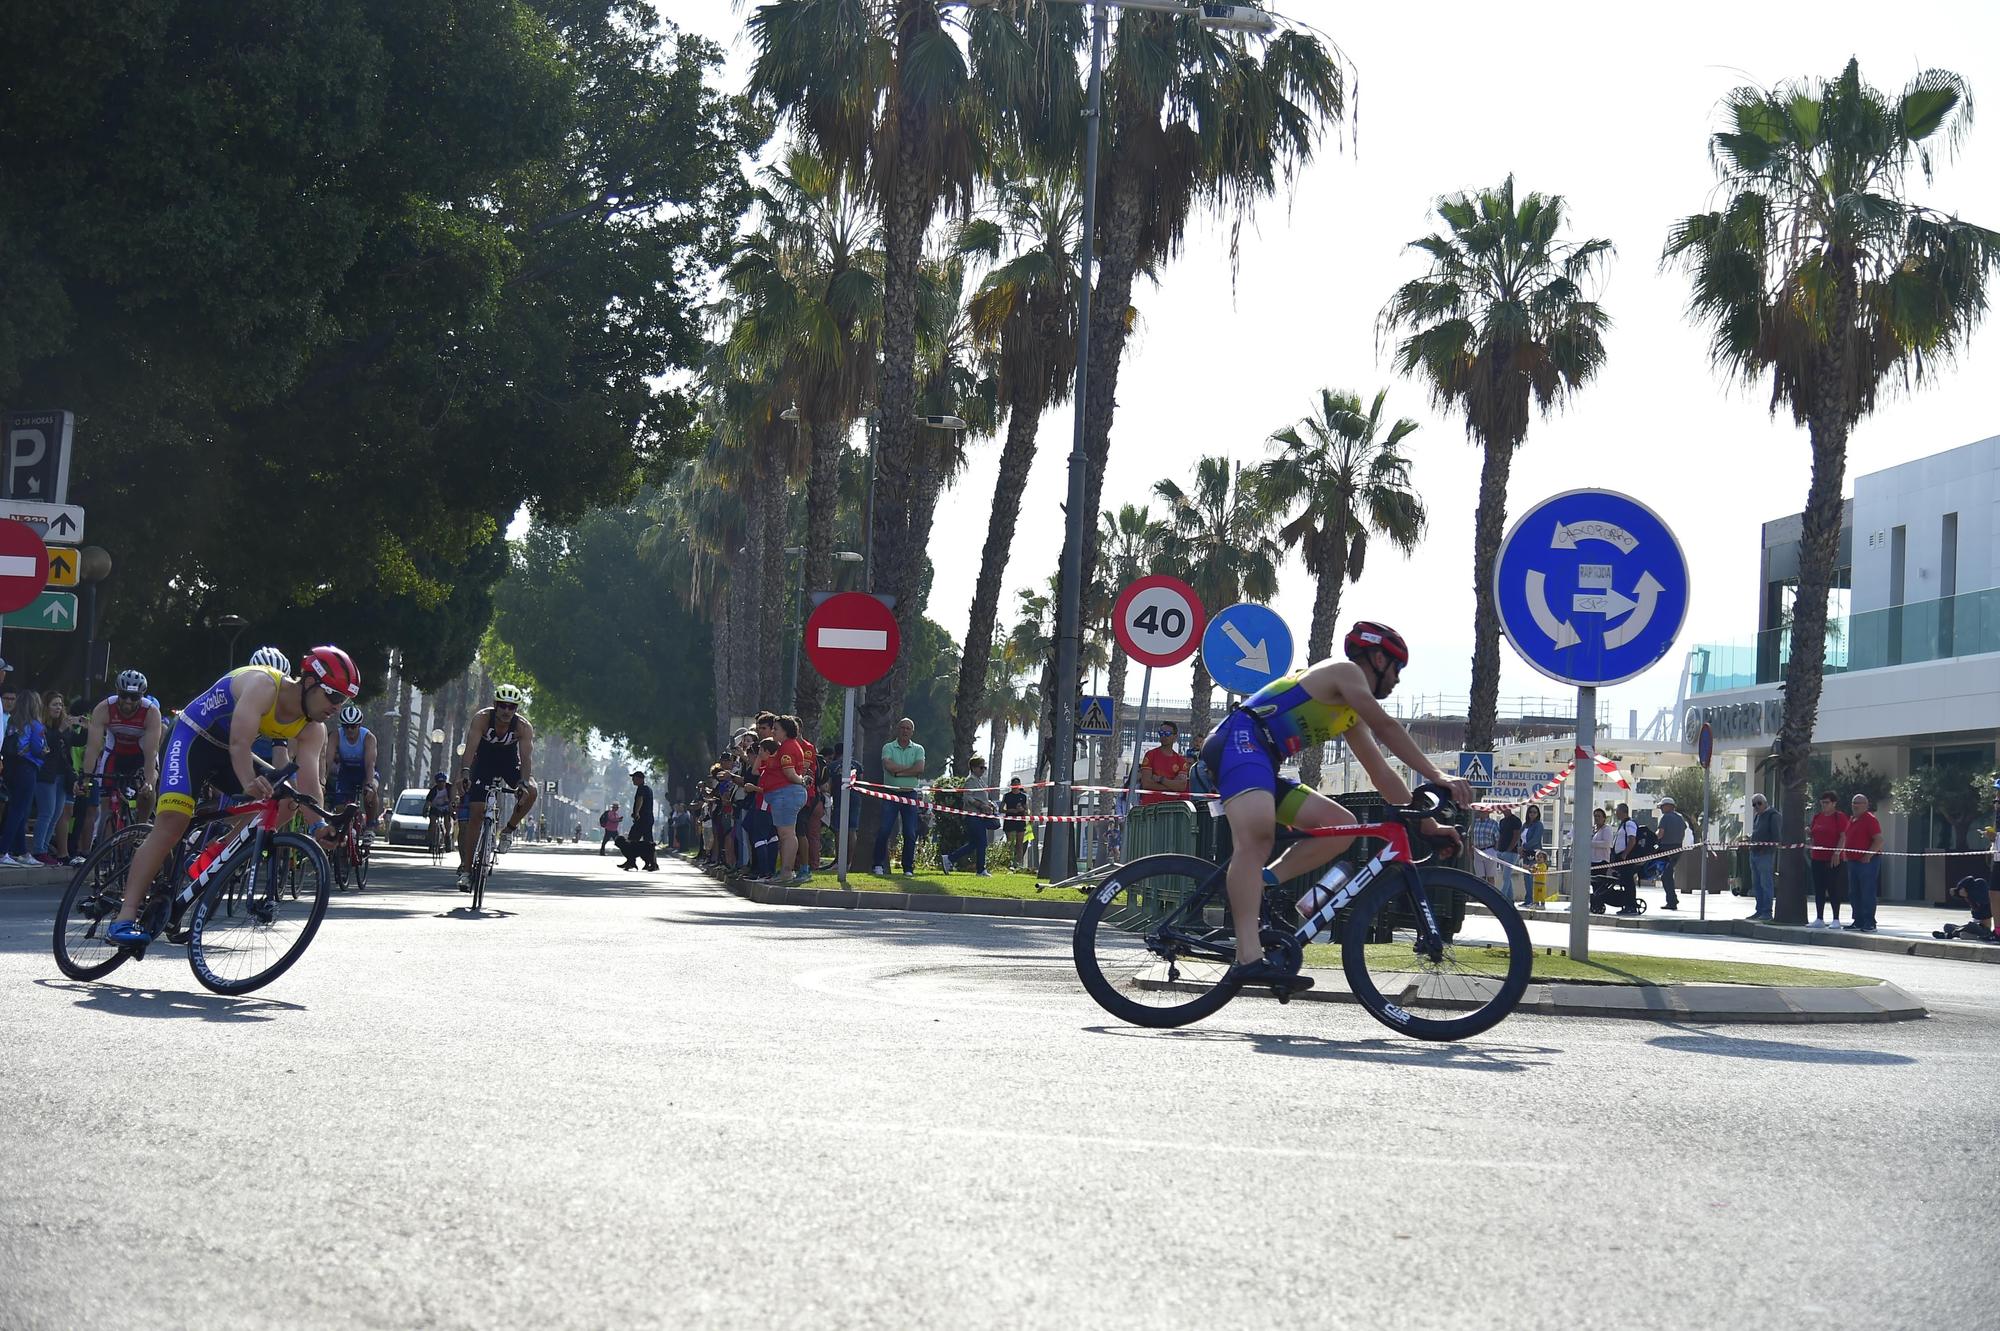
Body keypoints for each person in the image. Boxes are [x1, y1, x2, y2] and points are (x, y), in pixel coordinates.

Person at [1195, 622, 1469, 988]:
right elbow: (1387, 727)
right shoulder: (1344, 672)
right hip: (1238, 742)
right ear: (1377, 658)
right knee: (1257, 839)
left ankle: (1259, 882)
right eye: (1397, 670)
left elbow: (1382, 774)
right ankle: (1248, 957)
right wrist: (1439, 776)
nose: (1398, 681)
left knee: (1340, 825)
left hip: (1260, 759)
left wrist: (1428, 826)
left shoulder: (1349, 713)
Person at [105, 647, 354, 944]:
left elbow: (310, 785)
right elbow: (239, 743)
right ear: (310, 682)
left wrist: (319, 828)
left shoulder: (315, 729)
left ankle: (220, 849)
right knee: (173, 822)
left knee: (287, 800)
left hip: (227, 753)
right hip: (192, 738)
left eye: (345, 700)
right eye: (334, 696)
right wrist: (249, 781)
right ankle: (125, 916)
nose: (338, 706)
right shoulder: (263, 685)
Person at [455, 683, 538, 891]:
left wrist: (523, 783)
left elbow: (526, 759)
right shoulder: (482, 718)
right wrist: (465, 772)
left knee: (533, 791)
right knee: (476, 814)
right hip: (483, 763)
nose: (507, 711)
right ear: (495, 705)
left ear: (516, 709)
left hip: (509, 763)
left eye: (512, 707)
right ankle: (466, 871)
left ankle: (508, 830)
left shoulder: (523, 727)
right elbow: (470, 750)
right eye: (503, 706)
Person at [84, 670, 164, 824]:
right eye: (123, 695)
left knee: (147, 789)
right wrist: (85, 778)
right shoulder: (104, 708)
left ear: (142, 695)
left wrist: (148, 782)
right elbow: (92, 749)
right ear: (117, 691)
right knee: (107, 802)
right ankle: (107, 840)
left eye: (134, 697)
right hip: (115, 753)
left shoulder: (151, 712)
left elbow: (151, 754)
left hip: (141, 754)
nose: (128, 701)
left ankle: (140, 826)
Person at [760, 715, 811, 884]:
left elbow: (790, 774)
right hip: (783, 795)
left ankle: (787, 872)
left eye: (776, 729)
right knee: (786, 835)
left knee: (787, 835)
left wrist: (802, 781)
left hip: (786, 794)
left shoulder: (788, 748)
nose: (773, 732)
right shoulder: (785, 747)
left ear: (786, 731)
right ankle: (785, 871)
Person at [0, 691, 49, 866]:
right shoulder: (36, 726)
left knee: (17, 810)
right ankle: (3, 850)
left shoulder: (12, 722)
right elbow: (37, 749)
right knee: (19, 810)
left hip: (11, 768)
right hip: (28, 768)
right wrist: (44, 752)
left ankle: (20, 851)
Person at [873, 716, 926, 876]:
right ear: (898, 729)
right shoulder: (888, 747)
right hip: (891, 793)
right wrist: (907, 770)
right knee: (884, 830)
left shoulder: (918, 749)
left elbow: (919, 769)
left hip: (910, 794)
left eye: (907, 728)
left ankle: (908, 868)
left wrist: (898, 771)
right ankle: (878, 865)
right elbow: (888, 766)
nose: (904, 731)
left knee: (910, 832)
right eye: (902, 727)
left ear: (912, 732)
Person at [30, 693, 76, 866]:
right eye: (55, 704)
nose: (58, 707)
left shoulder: (62, 728)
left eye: (60, 704)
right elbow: (47, 745)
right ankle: (38, 850)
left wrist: (87, 727)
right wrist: (61, 731)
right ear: (46, 707)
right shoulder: (42, 726)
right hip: (46, 776)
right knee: (46, 813)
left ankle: (44, 847)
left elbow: (73, 744)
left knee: (56, 814)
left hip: (61, 776)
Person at [324, 703, 381, 832]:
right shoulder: (336, 736)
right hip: (346, 773)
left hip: (366, 772)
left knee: (370, 794)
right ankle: (343, 831)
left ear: (359, 725)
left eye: (353, 726)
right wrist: (322, 781)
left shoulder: (368, 737)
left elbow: (370, 764)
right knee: (339, 807)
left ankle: (370, 827)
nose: (349, 730)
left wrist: (370, 785)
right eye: (346, 726)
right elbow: (328, 760)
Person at [940, 757, 998, 876]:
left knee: (974, 844)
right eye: (981, 767)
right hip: (973, 816)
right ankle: (981, 870)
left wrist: (989, 804)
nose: (983, 770)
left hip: (980, 816)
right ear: (974, 768)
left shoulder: (980, 781)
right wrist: (981, 806)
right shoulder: (970, 781)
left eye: (984, 767)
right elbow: (967, 797)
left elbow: (983, 796)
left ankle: (949, 859)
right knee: (982, 842)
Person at [1839, 792, 1883, 933]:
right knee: (1854, 892)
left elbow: (1879, 840)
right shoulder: (1852, 820)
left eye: (1859, 803)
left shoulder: (1870, 819)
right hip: (1853, 861)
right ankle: (1858, 920)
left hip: (1867, 862)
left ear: (1866, 805)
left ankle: (1870, 922)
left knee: (1867, 892)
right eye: (1854, 803)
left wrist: (1868, 855)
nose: (1856, 806)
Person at [1807, 791, 1847, 928]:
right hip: (1817, 857)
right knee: (1819, 888)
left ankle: (1836, 918)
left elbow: (1843, 836)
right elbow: (1813, 835)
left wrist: (1837, 853)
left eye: (1827, 803)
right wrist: (1811, 846)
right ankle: (1819, 918)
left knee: (1833, 887)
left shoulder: (1839, 817)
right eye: (1822, 803)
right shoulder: (1817, 817)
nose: (1824, 805)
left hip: (1833, 859)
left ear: (1834, 803)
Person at [1136, 722, 1192, 806]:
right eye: (1161, 733)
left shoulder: (1181, 760)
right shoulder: (1150, 755)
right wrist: (1172, 786)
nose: (1164, 736)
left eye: (1167, 734)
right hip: (1150, 807)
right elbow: (1146, 784)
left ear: (1175, 737)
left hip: (1171, 807)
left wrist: (1161, 780)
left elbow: (1181, 787)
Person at [617, 769, 657, 871]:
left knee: (632, 839)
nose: (633, 781)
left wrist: (637, 812)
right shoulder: (648, 789)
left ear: (640, 779)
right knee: (649, 843)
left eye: (634, 778)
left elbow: (640, 800)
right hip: (648, 818)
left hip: (642, 819)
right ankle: (652, 863)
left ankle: (631, 862)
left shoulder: (641, 788)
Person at [1747, 793, 1779, 919]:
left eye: (1759, 803)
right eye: (1754, 804)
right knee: (1757, 884)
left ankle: (1767, 912)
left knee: (1766, 884)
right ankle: (1759, 910)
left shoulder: (1773, 816)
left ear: (1765, 803)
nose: (1756, 806)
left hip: (1765, 855)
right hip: (1754, 853)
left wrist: (1767, 850)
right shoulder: (1757, 817)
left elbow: (1776, 838)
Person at [1655, 795, 1687, 911]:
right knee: (1668, 874)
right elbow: (1683, 832)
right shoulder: (1680, 818)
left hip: (1666, 849)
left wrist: (1654, 843)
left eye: (1662, 807)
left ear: (1669, 806)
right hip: (1677, 849)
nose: (1661, 809)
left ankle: (1672, 901)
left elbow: (1660, 833)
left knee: (1666, 876)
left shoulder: (1665, 818)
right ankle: (1672, 900)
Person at [1610, 802, 1642, 911]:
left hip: (1626, 858)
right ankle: (1626, 904)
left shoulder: (1629, 823)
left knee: (1628, 882)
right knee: (1624, 881)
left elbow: (1632, 840)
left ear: (1623, 811)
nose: (1616, 813)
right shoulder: (1623, 824)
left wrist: (1625, 853)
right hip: (1621, 857)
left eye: (1617, 811)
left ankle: (1631, 905)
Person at [1493, 805, 1523, 904]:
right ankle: (1510, 898)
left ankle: (1501, 898)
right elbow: (1500, 836)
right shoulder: (1502, 821)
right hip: (1501, 851)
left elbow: (1516, 836)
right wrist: (1498, 849)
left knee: (1506, 876)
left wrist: (1510, 849)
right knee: (1506, 876)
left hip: (1511, 853)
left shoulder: (1516, 820)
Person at [1518, 805, 1545, 905]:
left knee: (1532, 876)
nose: (1532, 814)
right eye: (1530, 812)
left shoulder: (1539, 825)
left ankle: (1535, 900)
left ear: (1538, 814)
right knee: (1526, 877)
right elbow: (1520, 838)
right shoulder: (1525, 825)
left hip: (1535, 853)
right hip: (1525, 853)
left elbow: (1535, 839)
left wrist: (1524, 846)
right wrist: (1520, 848)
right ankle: (1528, 899)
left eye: (1534, 812)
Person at [1001, 777, 1030, 868]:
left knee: (1019, 844)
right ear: (1011, 785)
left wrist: (1022, 809)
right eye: (1014, 784)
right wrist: (1011, 810)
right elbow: (1001, 809)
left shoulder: (1023, 796)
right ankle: (1008, 863)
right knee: (1010, 843)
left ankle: (1019, 864)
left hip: (1020, 821)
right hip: (1009, 820)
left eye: (1017, 784)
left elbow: (1027, 811)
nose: (1015, 786)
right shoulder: (1007, 796)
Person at [425, 771, 455, 849]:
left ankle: (447, 837)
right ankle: (431, 841)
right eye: (439, 782)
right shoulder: (433, 791)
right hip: (435, 808)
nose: (441, 784)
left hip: (445, 808)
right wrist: (425, 810)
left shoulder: (449, 788)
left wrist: (452, 809)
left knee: (447, 822)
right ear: (436, 782)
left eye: (443, 782)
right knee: (432, 822)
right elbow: (428, 802)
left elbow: (453, 800)